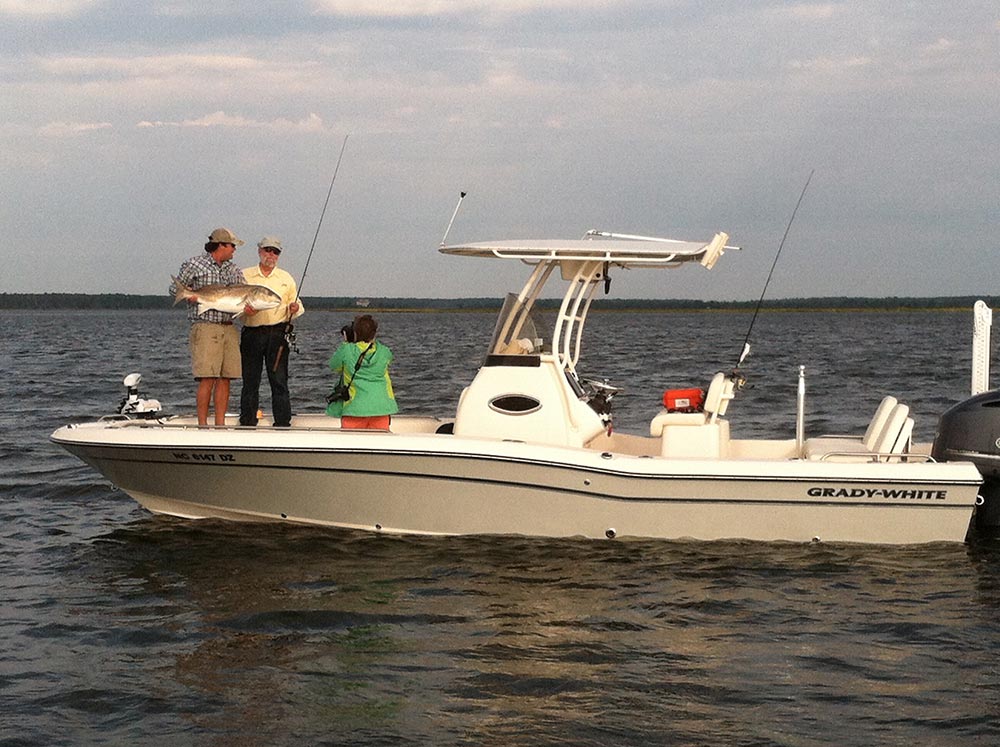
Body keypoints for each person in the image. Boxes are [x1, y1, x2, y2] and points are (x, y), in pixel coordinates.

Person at [170, 227, 246, 426]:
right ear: (220, 245)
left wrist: (249, 309)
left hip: (229, 326)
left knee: (226, 377)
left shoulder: (234, 269)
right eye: (232, 246)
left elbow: (243, 293)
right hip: (205, 326)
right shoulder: (194, 264)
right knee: (207, 377)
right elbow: (174, 289)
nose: (234, 251)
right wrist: (190, 295)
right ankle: (202, 425)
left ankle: (220, 424)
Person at [239, 236, 304, 427]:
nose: (271, 255)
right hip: (252, 333)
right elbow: (236, 305)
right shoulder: (245, 275)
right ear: (259, 251)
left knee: (279, 380)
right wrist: (245, 311)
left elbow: (297, 304)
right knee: (250, 381)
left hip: (278, 334)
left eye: (275, 251)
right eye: (267, 250)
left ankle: (283, 422)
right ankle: (248, 421)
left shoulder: (286, 278)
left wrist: (295, 308)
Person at [326, 314, 398, 429]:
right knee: (379, 444)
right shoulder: (384, 352)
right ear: (374, 333)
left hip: (354, 409)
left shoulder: (346, 350)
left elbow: (334, 366)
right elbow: (387, 359)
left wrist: (347, 342)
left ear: (355, 333)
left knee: (351, 444)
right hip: (381, 408)